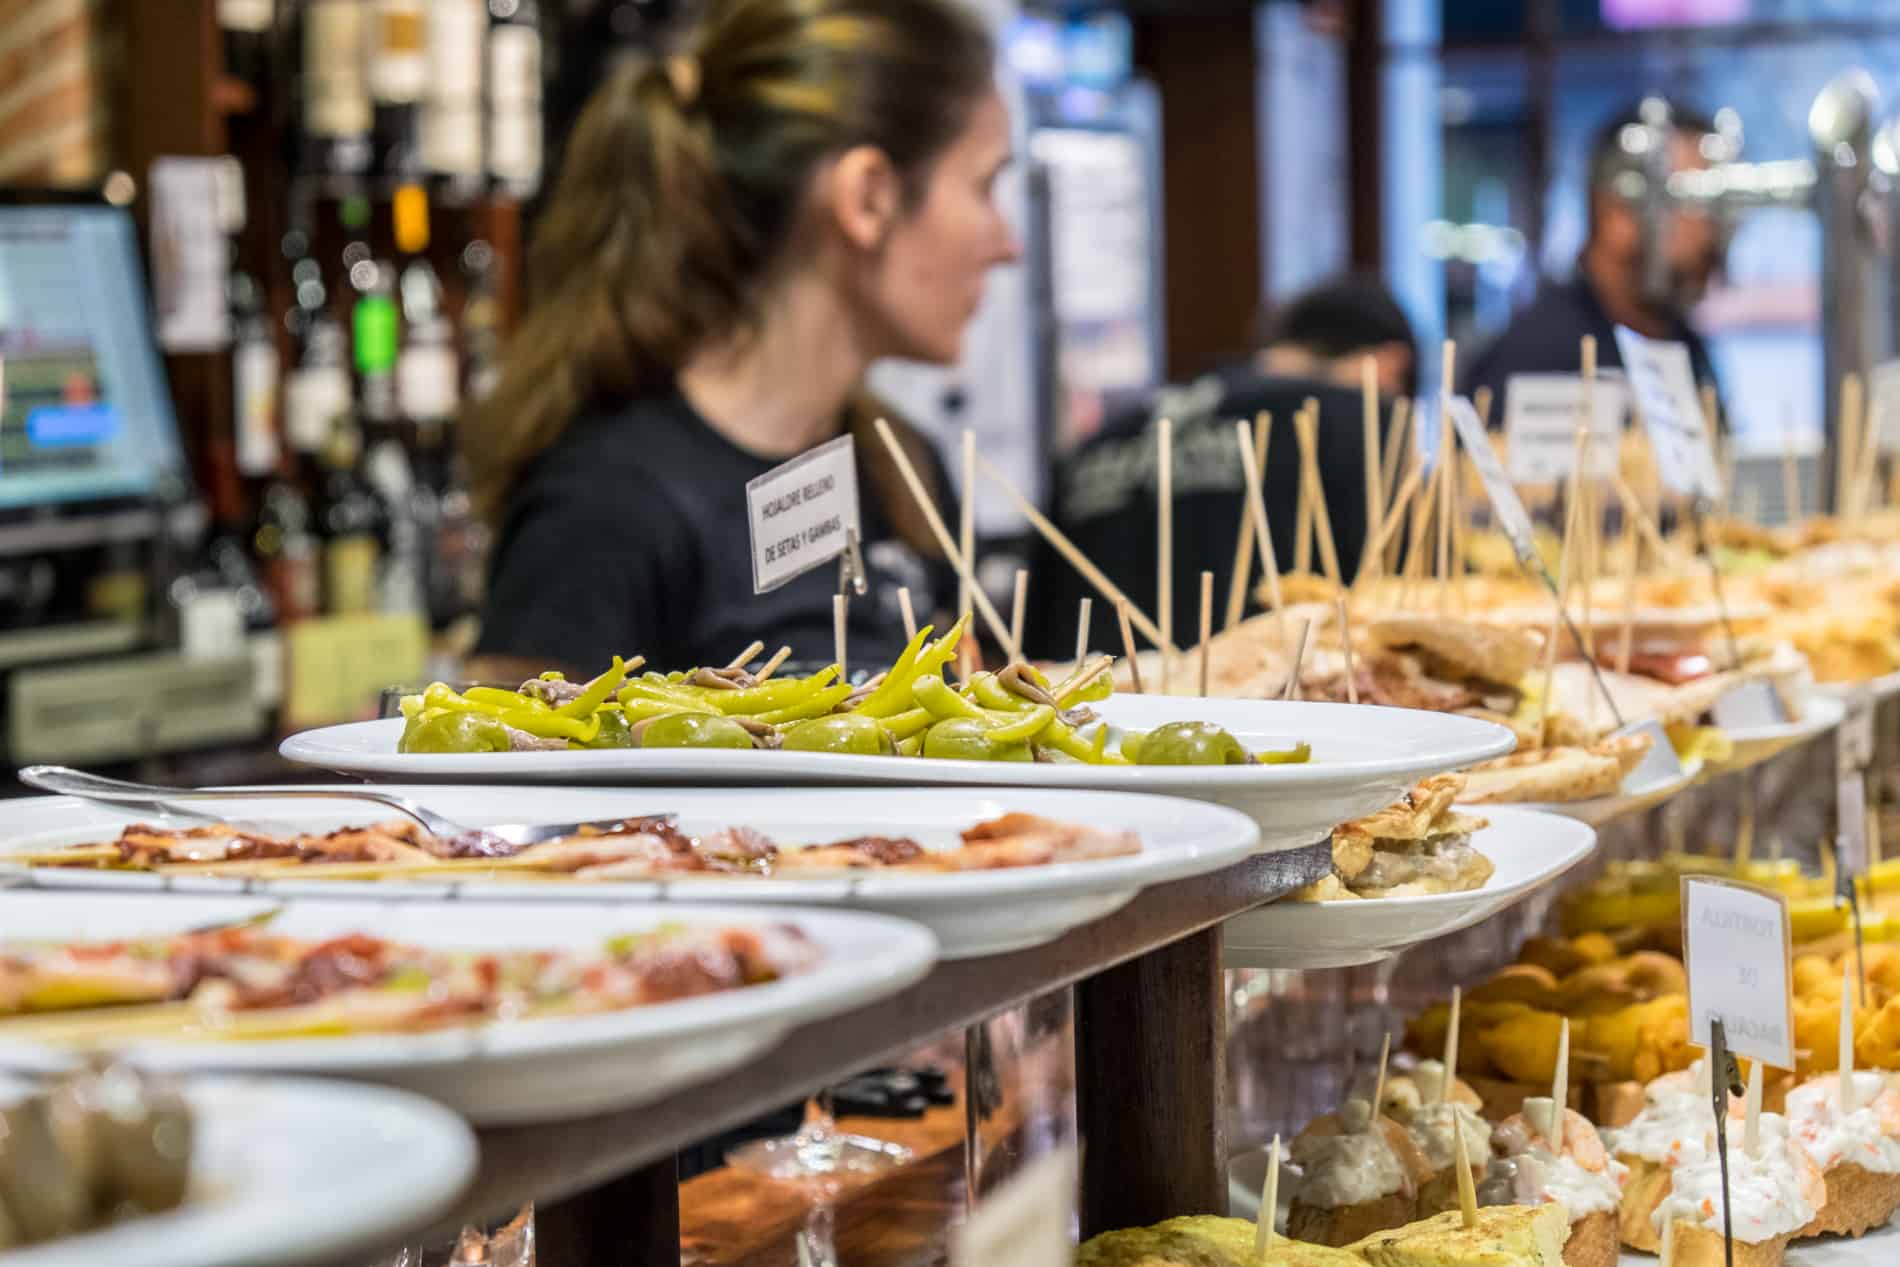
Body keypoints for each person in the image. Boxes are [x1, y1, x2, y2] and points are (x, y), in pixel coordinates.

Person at [466, 0, 1020, 680]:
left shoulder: (904, 469)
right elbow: (502, 769)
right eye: (985, 186)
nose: (1008, 245)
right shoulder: (609, 508)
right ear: (869, 198)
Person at [1028, 275, 1415, 659]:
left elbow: (1034, 631)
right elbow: (1409, 604)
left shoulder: (1100, 441)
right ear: (1389, 366)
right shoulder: (1364, 421)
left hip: (1094, 708)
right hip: (1280, 709)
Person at [1462, 99, 1726, 407]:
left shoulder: (1683, 345)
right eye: (1696, 202)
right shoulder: (1537, 358)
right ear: (1616, 212)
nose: (1713, 232)